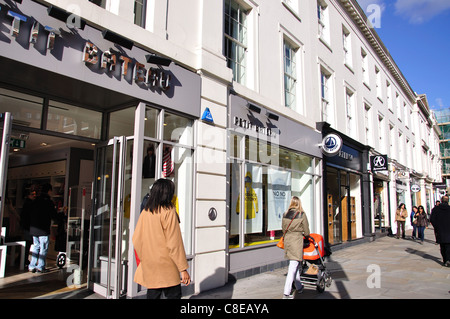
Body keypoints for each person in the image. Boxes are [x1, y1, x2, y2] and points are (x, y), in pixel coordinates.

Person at [132, 178, 190, 299]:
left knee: (153, 295)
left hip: (150, 263)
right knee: (173, 295)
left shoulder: (146, 211)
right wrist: (183, 269)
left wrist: (145, 257)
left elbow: (136, 238)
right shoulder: (169, 211)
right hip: (167, 264)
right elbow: (174, 242)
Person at [282, 196, 310, 299]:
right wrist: (307, 237)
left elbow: (283, 228)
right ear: (299, 203)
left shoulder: (285, 214)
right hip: (296, 241)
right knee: (293, 266)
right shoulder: (301, 214)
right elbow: (306, 230)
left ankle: (299, 287)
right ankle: (286, 292)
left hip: (288, 240)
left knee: (295, 264)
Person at [29, 183, 58, 273]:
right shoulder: (48, 202)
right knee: (43, 248)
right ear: (49, 191)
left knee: (36, 247)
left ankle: (32, 266)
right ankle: (40, 266)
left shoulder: (35, 200)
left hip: (34, 229)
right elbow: (53, 215)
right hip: (43, 229)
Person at [430, 196, 450, 267]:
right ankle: (448, 259)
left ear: (441, 201)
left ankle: (445, 260)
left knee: (442, 246)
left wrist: (437, 226)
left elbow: (432, 219)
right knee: (448, 246)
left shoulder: (436, 209)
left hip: (440, 230)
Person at [20, 185, 37, 267]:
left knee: (28, 244)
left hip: (28, 226)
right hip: (28, 227)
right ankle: (23, 259)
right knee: (28, 243)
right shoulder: (29, 204)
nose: (34, 196)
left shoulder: (27, 203)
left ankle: (22, 258)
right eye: (32, 194)